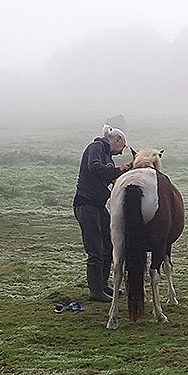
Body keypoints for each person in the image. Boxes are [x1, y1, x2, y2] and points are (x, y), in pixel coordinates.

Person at [73, 125, 132, 302]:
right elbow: (94, 166)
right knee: (95, 249)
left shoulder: (106, 155)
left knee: (108, 245)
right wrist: (118, 170)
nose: (121, 152)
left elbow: (105, 175)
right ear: (117, 139)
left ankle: (103, 284)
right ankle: (95, 291)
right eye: (123, 146)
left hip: (98, 206)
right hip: (86, 204)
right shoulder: (96, 148)